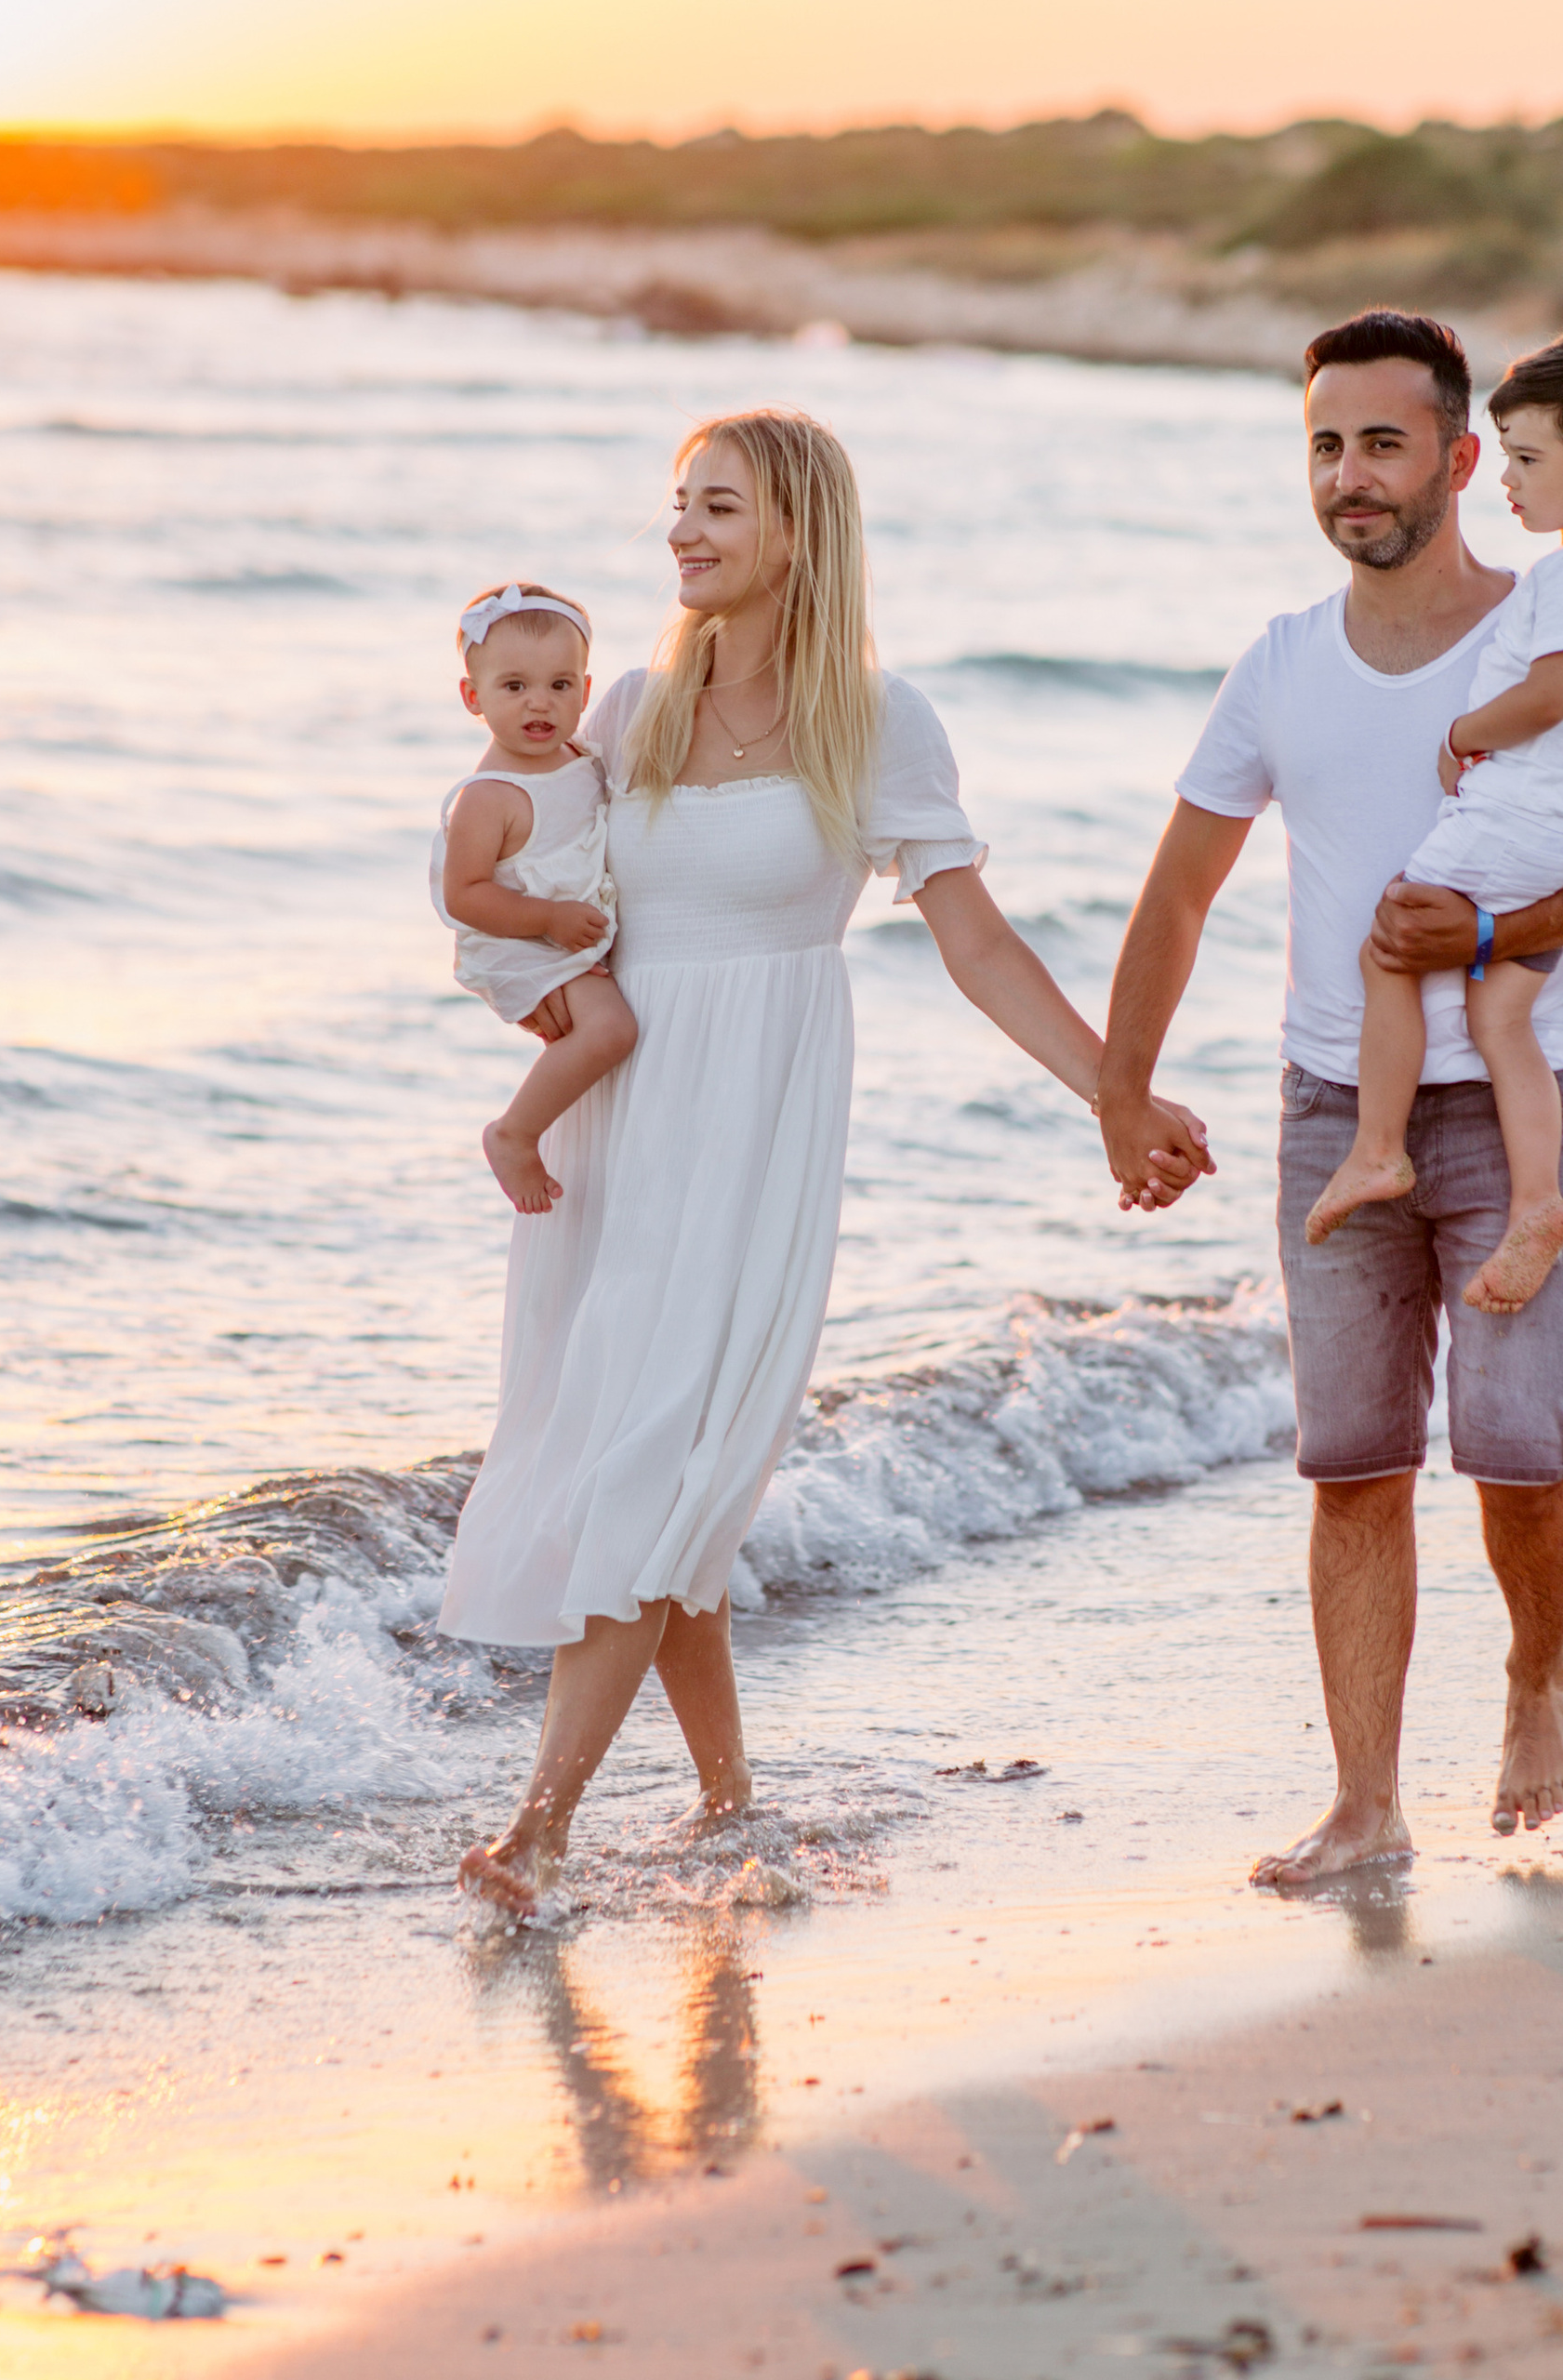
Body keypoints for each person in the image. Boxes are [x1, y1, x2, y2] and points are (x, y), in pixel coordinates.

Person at [444, 406, 1204, 1914]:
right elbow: (513, 877)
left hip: (759, 1122)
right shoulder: (626, 711)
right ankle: (730, 1801)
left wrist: (1115, 1093)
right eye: (677, 506)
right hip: (622, 1128)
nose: (683, 534)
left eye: (716, 507)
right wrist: (528, 1018)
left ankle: (539, 1831)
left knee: (667, 1455)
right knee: (651, 1462)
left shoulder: (879, 720)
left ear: (796, 529)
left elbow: (975, 944)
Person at [1096, 311, 1563, 1884]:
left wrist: (1499, 933)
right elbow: (1175, 898)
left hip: (1518, 1097)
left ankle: (1537, 1671)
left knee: (1516, 1441)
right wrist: (1121, 1089)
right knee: (1351, 1461)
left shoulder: (1550, 622)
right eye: (1322, 444)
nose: (1348, 475)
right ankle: (1365, 1807)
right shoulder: (1279, 664)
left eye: (1381, 442)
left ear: (1453, 456)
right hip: (1330, 1106)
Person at [1305, 330, 1563, 1315]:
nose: (1503, 479)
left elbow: (1551, 694)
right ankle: (1537, 1201)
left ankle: (1377, 1150)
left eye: (1524, 459)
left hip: (1516, 820)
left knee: (1390, 948)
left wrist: (1466, 732)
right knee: (1499, 1012)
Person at [431, 581, 636, 1215]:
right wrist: (548, 919)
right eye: (514, 687)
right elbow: (464, 896)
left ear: (586, 690)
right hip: (518, 939)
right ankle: (513, 1132)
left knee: (603, 1026)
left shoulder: (580, 755)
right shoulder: (488, 796)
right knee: (610, 1029)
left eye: (560, 685)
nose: (539, 704)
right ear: (473, 696)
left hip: (560, 927)